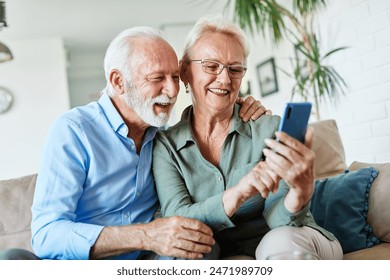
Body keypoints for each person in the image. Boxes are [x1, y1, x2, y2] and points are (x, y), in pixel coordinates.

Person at [0, 26, 268, 260]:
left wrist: (239, 108)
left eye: (175, 77)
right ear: (118, 81)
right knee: (12, 260)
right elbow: (47, 235)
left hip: (146, 264)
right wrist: (145, 235)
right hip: (82, 266)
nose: (173, 91)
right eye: (157, 78)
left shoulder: (164, 137)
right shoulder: (75, 131)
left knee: (198, 246)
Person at [152, 15, 343, 260]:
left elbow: (281, 220)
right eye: (211, 66)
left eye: (235, 69)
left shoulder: (267, 129)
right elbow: (177, 221)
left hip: (290, 237)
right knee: (187, 250)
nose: (224, 79)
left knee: (279, 242)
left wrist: (300, 193)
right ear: (185, 71)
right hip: (216, 251)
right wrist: (238, 193)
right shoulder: (165, 146)